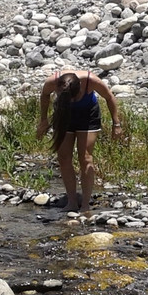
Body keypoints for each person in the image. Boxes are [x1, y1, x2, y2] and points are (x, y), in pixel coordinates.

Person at [36, 68, 122, 212]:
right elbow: (45, 95)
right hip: (64, 114)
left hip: (88, 115)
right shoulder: (52, 82)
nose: (73, 101)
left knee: (86, 157)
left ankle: (86, 205)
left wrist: (116, 124)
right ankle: (72, 202)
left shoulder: (91, 80)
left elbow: (109, 97)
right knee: (63, 157)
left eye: (75, 97)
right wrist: (43, 120)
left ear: (81, 87)